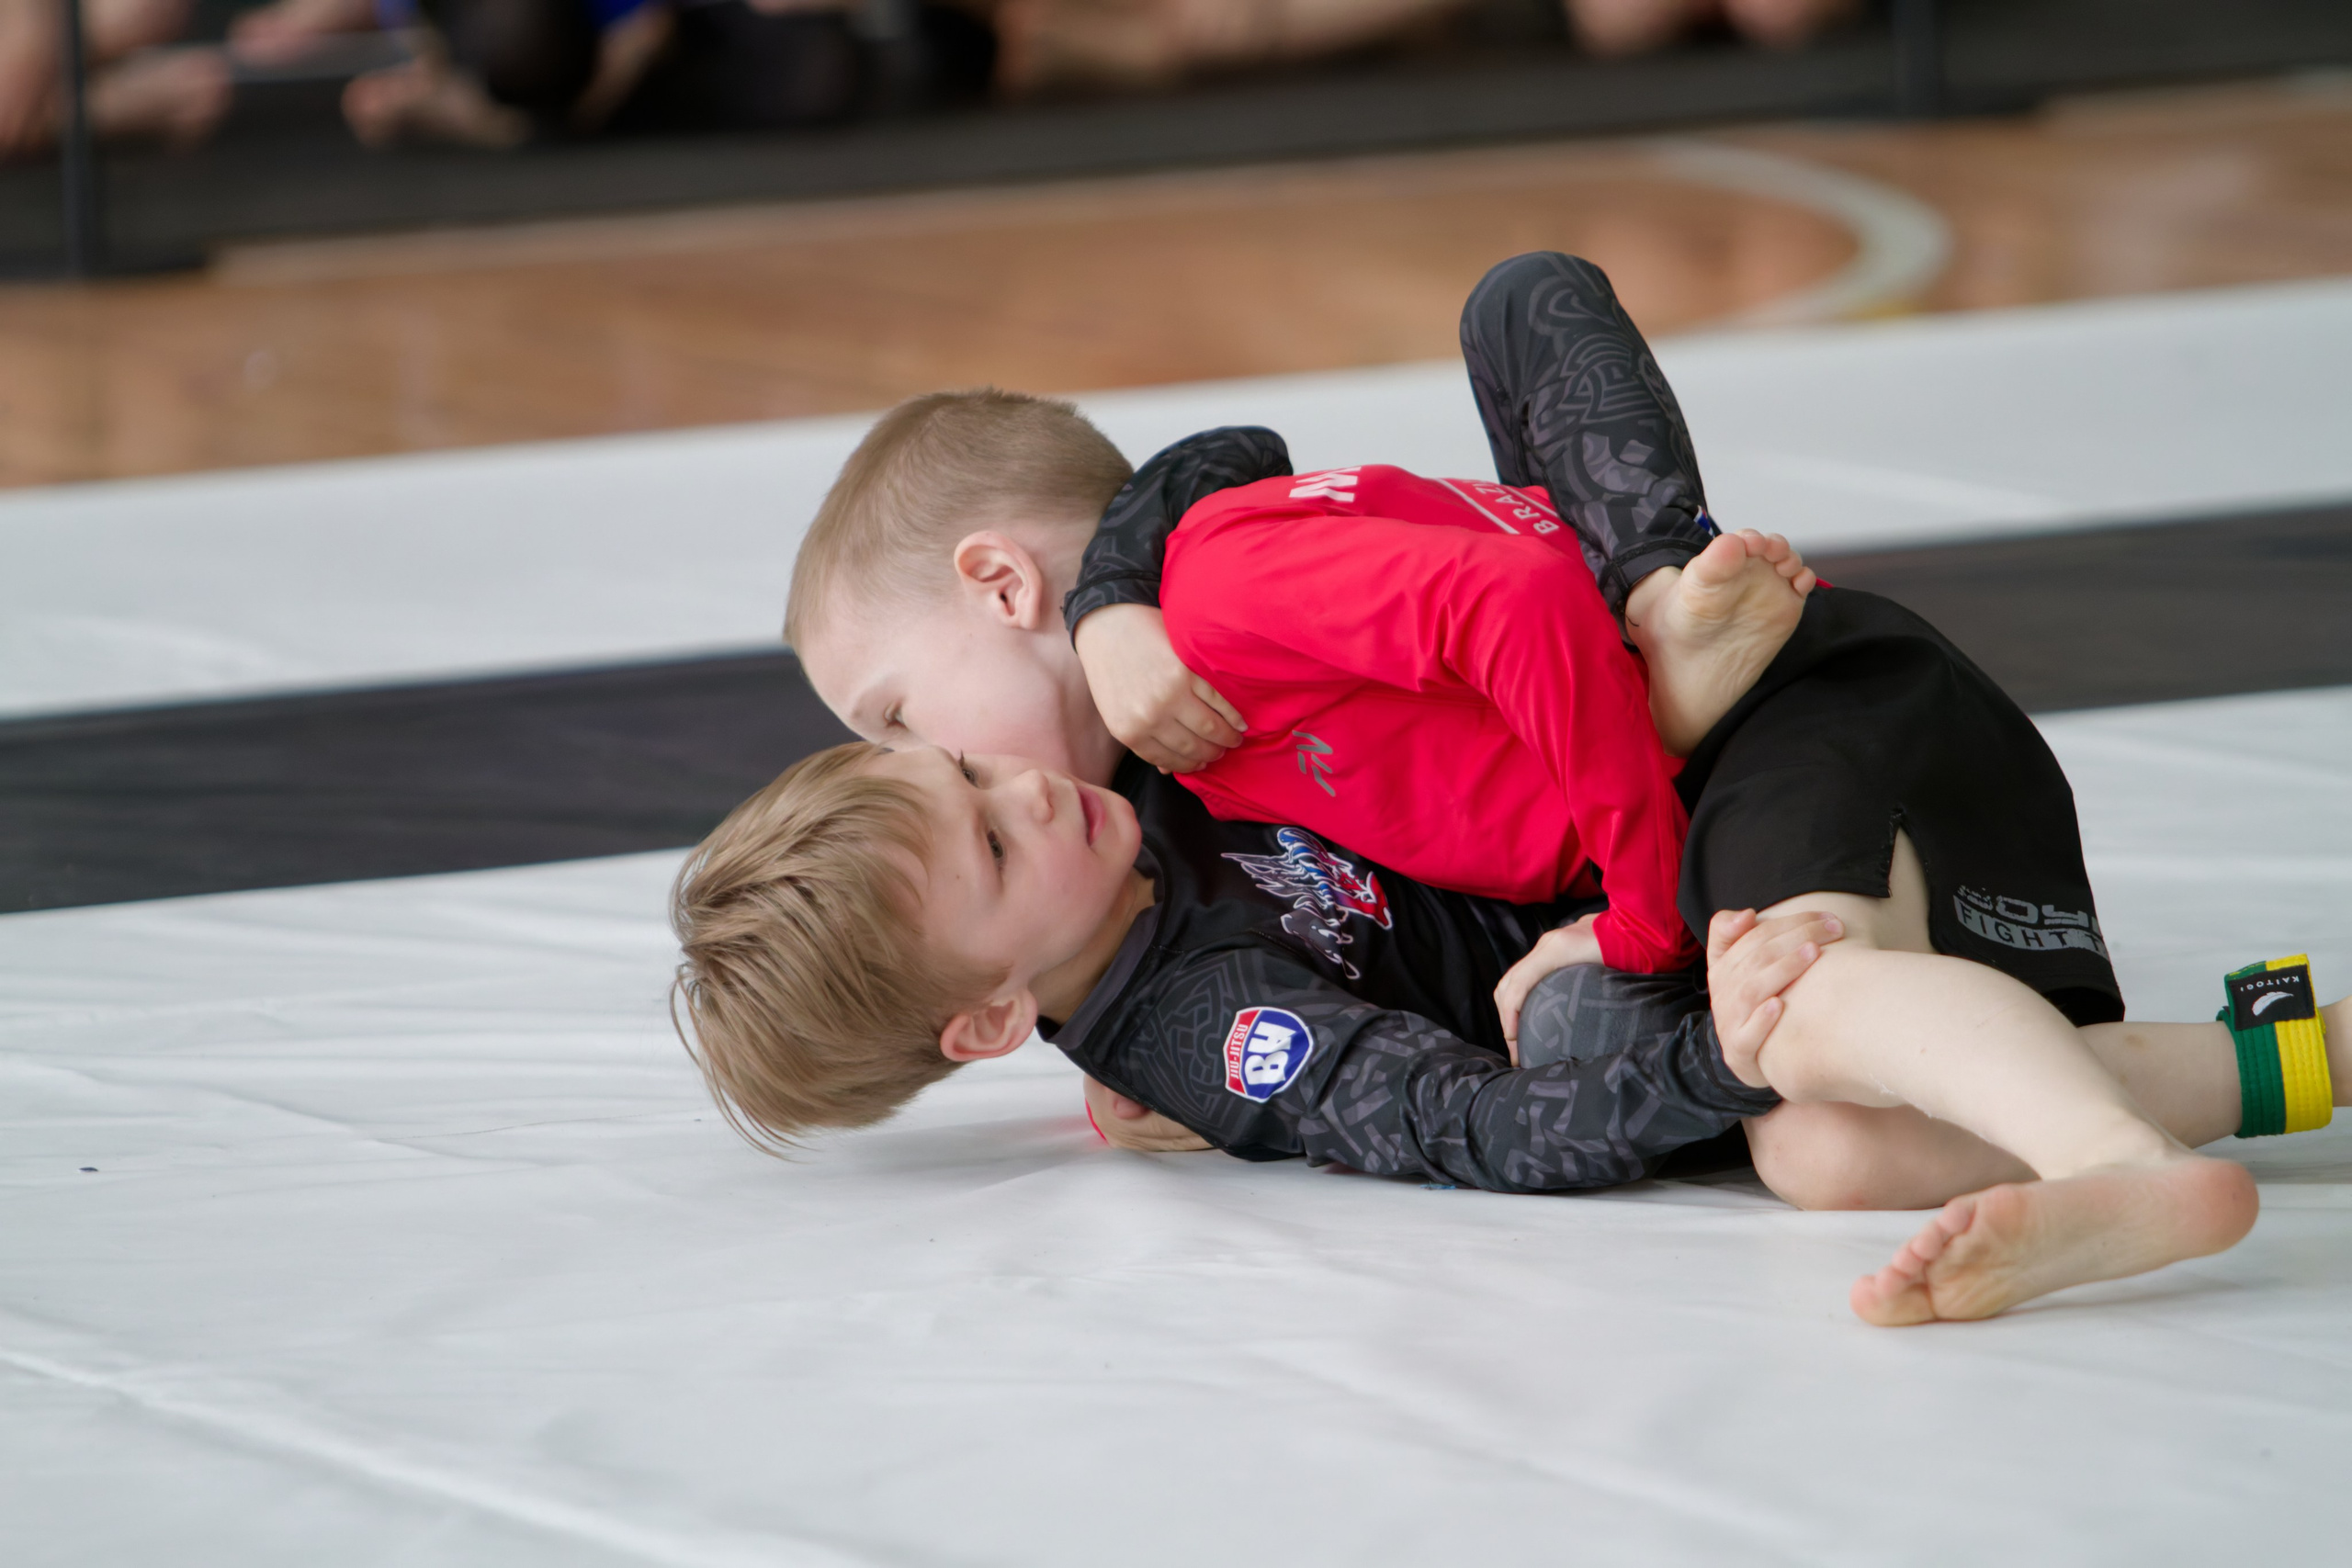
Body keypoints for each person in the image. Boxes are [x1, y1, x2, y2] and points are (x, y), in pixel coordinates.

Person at [673, 736, 2338, 1324]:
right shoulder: (1207, 1038)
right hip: (1707, 901)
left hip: (1760, 767)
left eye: (962, 767)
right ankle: (2287, 1057)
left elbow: (1171, 484)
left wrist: (1109, 594)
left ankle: (2120, 1160)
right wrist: (1718, 1054)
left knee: (1808, 1031)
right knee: (1822, 1150)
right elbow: (1475, 1126)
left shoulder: (1117, 754)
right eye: (985, 838)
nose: (1024, 782)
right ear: (983, 1020)